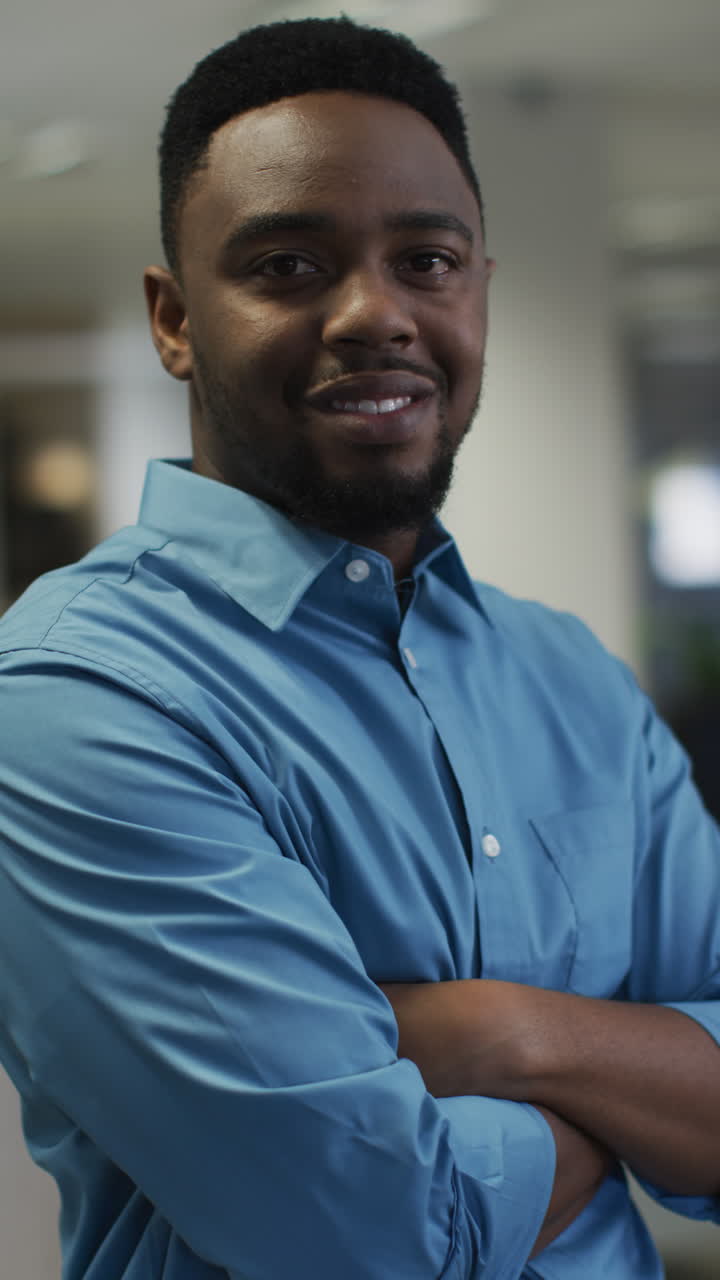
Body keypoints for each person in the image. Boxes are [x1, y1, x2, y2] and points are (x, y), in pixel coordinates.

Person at [0, 16, 719, 1279]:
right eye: (286, 264)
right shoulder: (80, 702)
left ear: (477, 288)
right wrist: (644, 1085)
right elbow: (373, 1232)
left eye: (427, 259)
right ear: (174, 320)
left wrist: (504, 1035)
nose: (374, 313)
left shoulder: (568, 676)